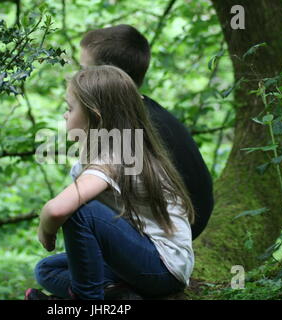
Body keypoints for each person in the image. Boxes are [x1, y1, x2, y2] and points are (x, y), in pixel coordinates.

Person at [25, 65, 195, 300]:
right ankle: (119, 295)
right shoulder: (117, 151)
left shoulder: (115, 158)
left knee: (81, 212)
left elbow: (57, 210)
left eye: (70, 108)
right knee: (48, 270)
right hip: (146, 261)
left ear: (95, 116)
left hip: (162, 267)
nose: (65, 115)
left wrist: (46, 229)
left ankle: (88, 299)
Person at [79, 24, 214, 241]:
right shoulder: (142, 111)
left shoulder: (135, 125)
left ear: (107, 77)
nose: (79, 79)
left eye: (84, 71)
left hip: (177, 228)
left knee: (83, 203)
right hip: (177, 220)